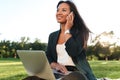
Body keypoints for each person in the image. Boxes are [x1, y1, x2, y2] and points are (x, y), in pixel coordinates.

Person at [46, 0, 97, 80]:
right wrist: (55, 65)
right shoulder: (52, 36)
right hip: (58, 72)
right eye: (58, 10)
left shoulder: (81, 32)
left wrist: (67, 30)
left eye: (64, 10)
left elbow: (73, 51)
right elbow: (48, 55)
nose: (59, 13)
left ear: (72, 15)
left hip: (77, 73)